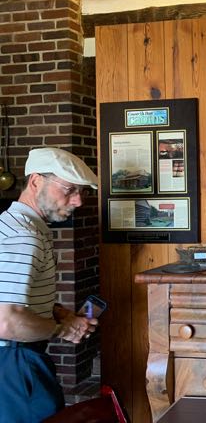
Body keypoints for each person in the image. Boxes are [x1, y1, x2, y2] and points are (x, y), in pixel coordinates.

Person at [0, 147, 99, 422]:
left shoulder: (10, 225)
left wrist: (59, 313)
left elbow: (11, 298)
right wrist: (63, 328)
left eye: (82, 192)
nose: (78, 201)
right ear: (35, 181)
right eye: (69, 189)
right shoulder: (23, 235)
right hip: (14, 364)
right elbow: (7, 322)